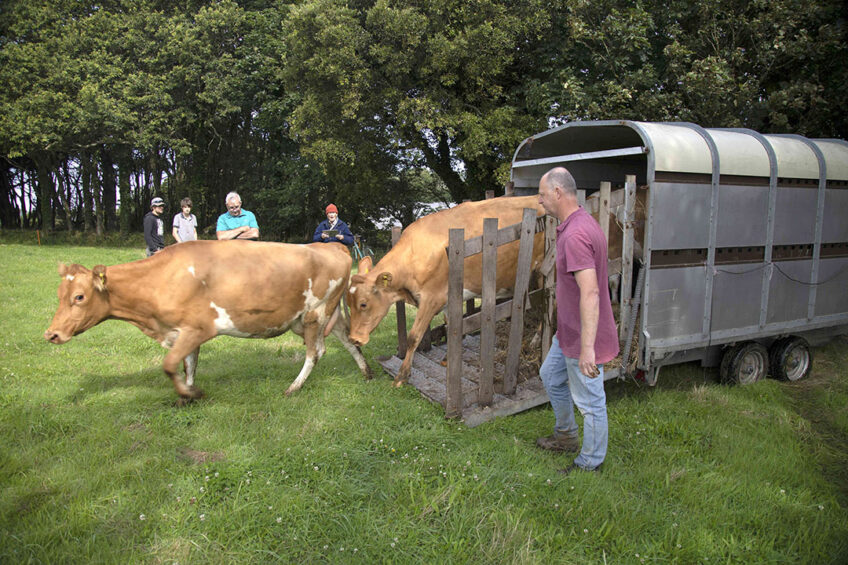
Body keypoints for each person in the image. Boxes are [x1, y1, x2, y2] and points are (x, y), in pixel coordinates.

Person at [535, 166, 619, 474]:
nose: (540, 201)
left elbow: (591, 293)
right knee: (551, 376)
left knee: (591, 402)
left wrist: (588, 350)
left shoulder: (575, 234)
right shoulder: (581, 222)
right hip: (568, 332)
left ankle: (590, 463)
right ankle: (567, 436)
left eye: (543, 195)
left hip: (585, 337)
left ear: (558, 192)